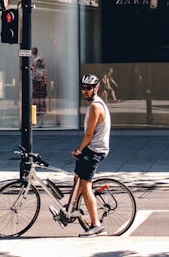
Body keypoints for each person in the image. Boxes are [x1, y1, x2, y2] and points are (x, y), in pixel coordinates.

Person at [67, 73, 111, 237]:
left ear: (96, 88)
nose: (84, 91)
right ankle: (69, 210)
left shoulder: (95, 107)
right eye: (83, 88)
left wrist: (79, 150)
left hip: (94, 150)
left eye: (88, 88)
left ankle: (96, 225)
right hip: (92, 149)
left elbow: (88, 134)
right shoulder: (96, 104)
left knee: (85, 187)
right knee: (77, 179)